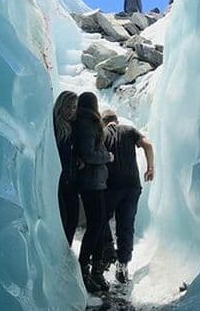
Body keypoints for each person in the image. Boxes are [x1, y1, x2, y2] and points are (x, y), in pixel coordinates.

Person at [98, 110, 154, 284]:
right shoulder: (129, 131)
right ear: (116, 120)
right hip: (132, 186)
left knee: (100, 220)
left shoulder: (102, 134)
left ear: (103, 122)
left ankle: (108, 249)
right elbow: (148, 145)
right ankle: (123, 264)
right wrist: (150, 167)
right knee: (126, 225)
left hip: (110, 187)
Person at [73, 92, 115, 293]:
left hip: (95, 182)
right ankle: (85, 269)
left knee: (98, 225)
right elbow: (89, 154)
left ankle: (93, 270)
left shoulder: (85, 122)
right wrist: (107, 156)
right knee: (96, 225)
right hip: (91, 182)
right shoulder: (87, 123)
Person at [53, 91, 79, 245]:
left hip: (71, 181)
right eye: (68, 106)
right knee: (63, 220)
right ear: (60, 106)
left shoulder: (74, 128)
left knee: (72, 219)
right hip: (58, 182)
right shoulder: (54, 127)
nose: (70, 111)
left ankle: (65, 253)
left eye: (74, 107)